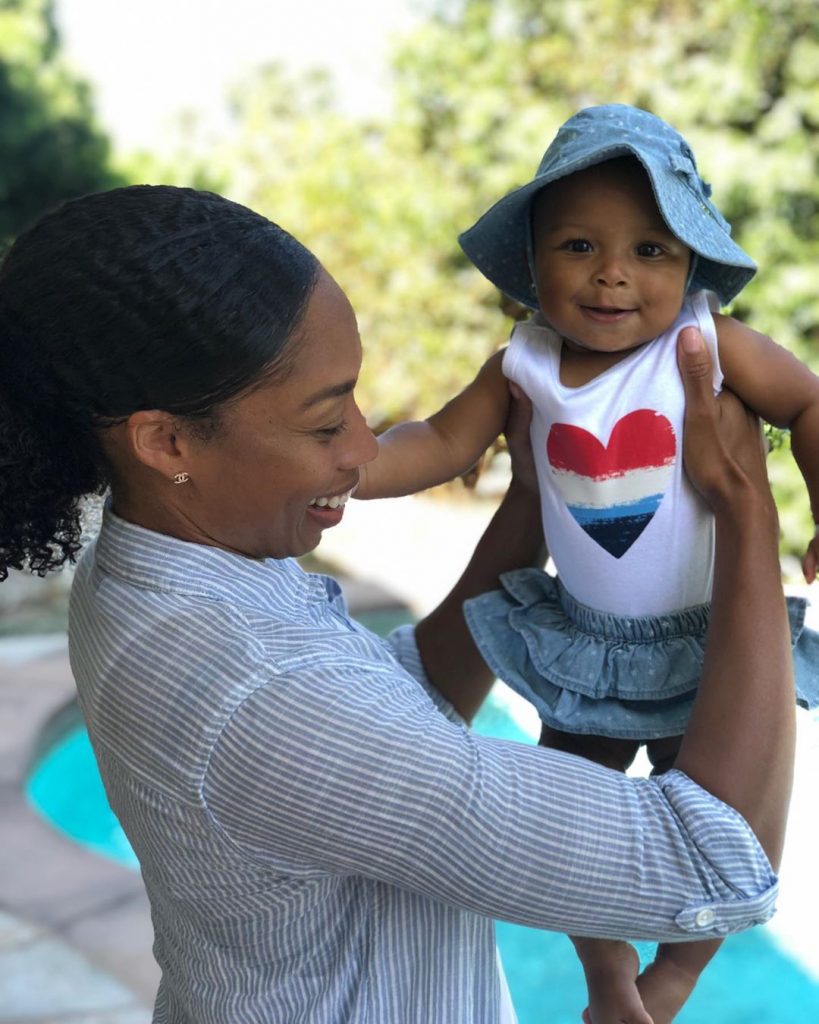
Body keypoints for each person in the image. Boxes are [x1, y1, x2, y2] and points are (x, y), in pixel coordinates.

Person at [0, 183, 797, 1024]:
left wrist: (527, 503)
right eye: (321, 423)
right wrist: (744, 508)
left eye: (351, 397)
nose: (359, 447)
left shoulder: (170, 563)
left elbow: (397, 707)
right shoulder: (258, 689)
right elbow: (710, 865)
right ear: (165, 441)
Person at [354, 104, 819, 1022]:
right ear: (533, 263)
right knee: (564, 826)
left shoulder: (706, 345)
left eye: (650, 249)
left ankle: (676, 976)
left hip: (712, 644)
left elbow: (808, 403)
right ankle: (607, 980)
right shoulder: (521, 364)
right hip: (588, 643)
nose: (613, 272)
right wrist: (348, 465)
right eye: (578, 245)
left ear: (690, 264)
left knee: (738, 826)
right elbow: (440, 441)